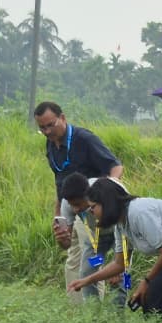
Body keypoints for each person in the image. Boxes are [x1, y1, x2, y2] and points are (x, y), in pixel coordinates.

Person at [68, 178, 162, 323]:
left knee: (156, 296)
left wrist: (146, 281)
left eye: (93, 207)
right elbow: (119, 264)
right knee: (153, 298)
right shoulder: (120, 226)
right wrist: (85, 280)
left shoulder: (138, 212)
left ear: (106, 202)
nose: (91, 212)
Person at [34, 101, 123, 300]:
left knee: (108, 266)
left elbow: (115, 166)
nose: (47, 131)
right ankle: (81, 314)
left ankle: (113, 306)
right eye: (42, 128)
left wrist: (107, 194)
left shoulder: (84, 139)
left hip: (98, 209)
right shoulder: (51, 145)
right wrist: (58, 218)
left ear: (63, 118)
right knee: (77, 261)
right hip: (73, 209)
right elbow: (59, 185)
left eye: (51, 125)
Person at [54, 172, 118, 305]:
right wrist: (62, 239)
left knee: (122, 277)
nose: (75, 209)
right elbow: (67, 245)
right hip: (98, 240)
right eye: (72, 205)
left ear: (88, 195)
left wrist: (118, 265)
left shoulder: (106, 193)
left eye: (77, 204)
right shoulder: (68, 203)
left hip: (120, 235)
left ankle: (120, 316)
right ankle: (93, 316)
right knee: (86, 272)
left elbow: (125, 229)